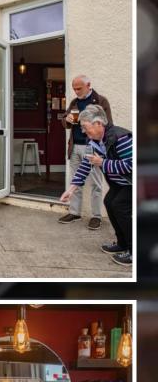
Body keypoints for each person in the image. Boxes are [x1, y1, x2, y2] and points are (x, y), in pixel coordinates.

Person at [60, 104, 133, 267]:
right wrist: (70, 190)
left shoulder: (120, 138)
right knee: (109, 203)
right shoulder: (94, 141)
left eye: (86, 128)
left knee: (119, 206)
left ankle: (134, 251)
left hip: (132, 183)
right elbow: (86, 165)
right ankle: (122, 243)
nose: (84, 132)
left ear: (98, 124)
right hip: (119, 184)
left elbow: (132, 165)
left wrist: (103, 163)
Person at [59, 75, 114, 230]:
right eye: (74, 89)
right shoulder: (74, 102)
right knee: (76, 180)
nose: (76, 91)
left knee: (96, 183)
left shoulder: (101, 101)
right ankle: (75, 212)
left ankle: (96, 216)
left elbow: (107, 125)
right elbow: (65, 121)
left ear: (88, 85)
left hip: (93, 147)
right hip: (75, 146)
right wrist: (67, 120)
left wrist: (101, 147)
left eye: (79, 88)